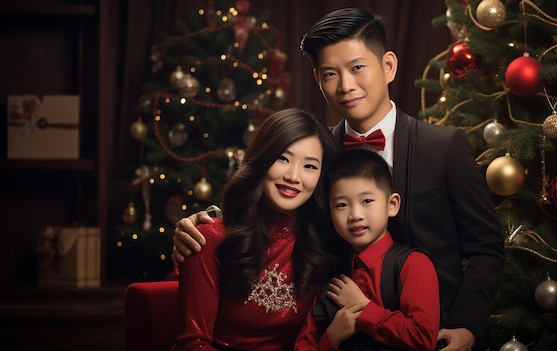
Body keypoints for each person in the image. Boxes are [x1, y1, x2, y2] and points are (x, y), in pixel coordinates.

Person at [173, 8, 504, 351]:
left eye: (358, 67)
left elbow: (486, 248)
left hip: (435, 337)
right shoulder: (317, 155)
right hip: (347, 339)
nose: (346, 86)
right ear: (318, 80)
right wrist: (206, 223)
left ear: (388, 66)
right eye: (331, 74)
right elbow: (280, 215)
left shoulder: (444, 147)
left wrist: (467, 327)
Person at [171, 108, 336, 350]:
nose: (293, 176)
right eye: (283, 158)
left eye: (309, 166)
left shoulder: (321, 245)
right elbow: (192, 342)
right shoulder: (209, 237)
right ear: (262, 158)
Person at [294, 148, 440, 351]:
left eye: (367, 201)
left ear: (392, 204)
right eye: (342, 205)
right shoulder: (330, 276)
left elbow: (423, 338)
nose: (355, 215)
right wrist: (333, 336)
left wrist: (364, 309)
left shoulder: (413, 265)